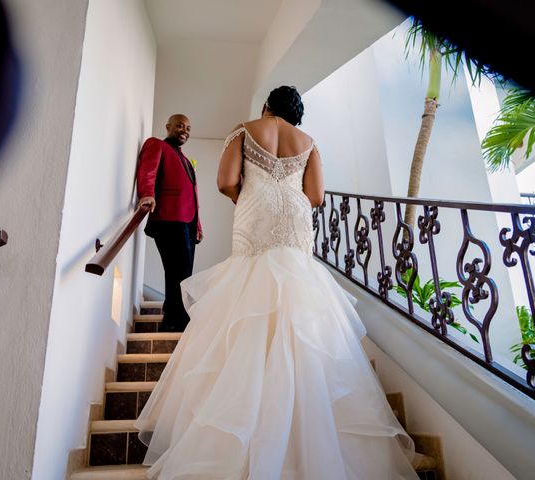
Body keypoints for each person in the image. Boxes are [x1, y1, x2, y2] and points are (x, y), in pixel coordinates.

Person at [135, 87, 418, 479]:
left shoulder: (243, 130)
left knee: (246, 302)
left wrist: (250, 196)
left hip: (256, 219)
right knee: (299, 313)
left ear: (267, 105)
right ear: (295, 115)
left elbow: (224, 181)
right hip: (295, 225)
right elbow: (315, 196)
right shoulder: (309, 142)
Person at [136, 114, 203, 332]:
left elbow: (192, 194)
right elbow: (148, 171)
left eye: (189, 128)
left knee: (184, 272)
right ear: (168, 127)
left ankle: (175, 316)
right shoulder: (157, 145)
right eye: (180, 126)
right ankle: (175, 321)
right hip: (168, 218)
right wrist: (146, 194)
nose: (185, 130)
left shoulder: (184, 158)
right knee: (177, 271)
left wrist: (198, 226)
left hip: (188, 222)